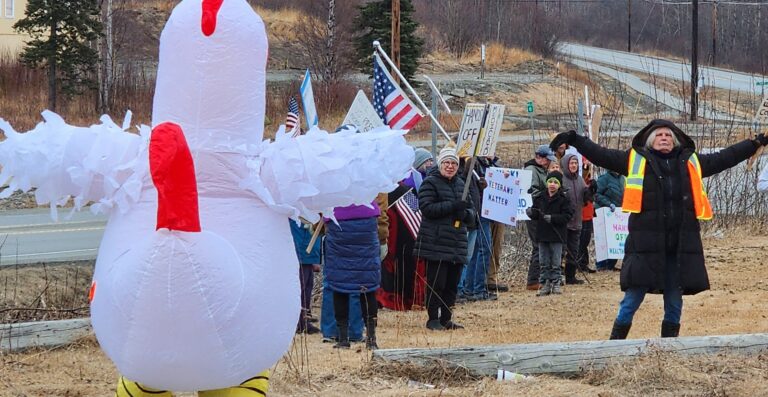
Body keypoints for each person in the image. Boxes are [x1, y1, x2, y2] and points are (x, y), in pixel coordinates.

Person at [550, 119, 767, 339]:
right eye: (660, 135)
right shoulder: (635, 159)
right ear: (651, 141)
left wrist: (755, 143)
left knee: (674, 299)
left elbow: (725, 157)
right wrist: (574, 139)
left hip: (678, 246)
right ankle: (614, 345)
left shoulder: (690, 162)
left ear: (675, 140)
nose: (665, 138)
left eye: (668, 135)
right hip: (645, 245)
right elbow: (601, 154)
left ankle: (668, 348)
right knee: (632, 298)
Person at [414, 145, 474, 331]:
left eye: (454, 163)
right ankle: (433, 318)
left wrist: (465, 214)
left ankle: (446, 318)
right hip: (436, 242)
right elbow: (427, 208)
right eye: (447, 163)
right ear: (440, 164)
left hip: (457, 242)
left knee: (451, 284)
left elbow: (472, 212)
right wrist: (452, 206)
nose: (450, 166)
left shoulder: (461, 184)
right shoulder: (430, 183)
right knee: (436, 283)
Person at [323, 191, 386, 349]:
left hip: (338, 221)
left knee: (340, 284)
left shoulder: (335, 171)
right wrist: (383, 238)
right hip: (366, 221)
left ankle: (343, 338)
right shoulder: (367, 170)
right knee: (367, 286)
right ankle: (371, 339)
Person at [377, 148, 431, 311]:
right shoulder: (386, 191)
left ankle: (401, 299)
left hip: (403, 237)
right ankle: (391, 299)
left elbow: (416, 216)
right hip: (392, 236)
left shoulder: (403, 191)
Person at [526, 170, 573, 296]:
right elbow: (536, 213)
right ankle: (544, 283)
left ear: (559, 185)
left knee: (556, 261)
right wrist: (531, 213)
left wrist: (553, 218)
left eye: (555, 182)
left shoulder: (564, 199)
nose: (552, 184)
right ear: (547, 183)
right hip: (542, 234)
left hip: (557, 235)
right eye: (550, 182)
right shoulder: (540, 197)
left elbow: (567, 216)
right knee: (544, 261)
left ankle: (556, 283)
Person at [523, 145, 556, 291]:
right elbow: (532, 192)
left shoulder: (541, 170)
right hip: (534, 212)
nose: (549, 162)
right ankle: (532, 281)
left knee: (540, 244)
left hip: (539, 212)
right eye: (548, 159)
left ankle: (539, 278)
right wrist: (546, 198)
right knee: (538, 245)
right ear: (540, 158)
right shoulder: (531, 171)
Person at [560, 153, 593, 285]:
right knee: (561, 251)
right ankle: (556, 276)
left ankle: (570, 276)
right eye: (571, 163)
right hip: (564, 222)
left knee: (574, 250)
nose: (573, 165)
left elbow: (586, 199)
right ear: (566, 165)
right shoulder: (561, 180)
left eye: (575, 163)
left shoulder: (580, 180)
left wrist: (591, 191)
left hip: (577, 220)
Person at [289, 218, 322, 334]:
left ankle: (304, 316)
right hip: (302, 248)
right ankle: (299, 322)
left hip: (308, 248)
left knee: (308, 286)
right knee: (301, 288)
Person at [594, 169, 625, 271]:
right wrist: (608, 204)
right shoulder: (604, 179)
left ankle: (611, 264)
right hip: (605, 213)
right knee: (604, 239)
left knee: (614, 240)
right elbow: (596, 194)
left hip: (617, 215)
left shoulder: (622, 178)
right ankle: (601, 264)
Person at [577, 160, 597, 275]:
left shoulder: (589, 180)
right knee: (580, 240)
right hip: (581, 214)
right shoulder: (579, 180)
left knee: (585, 240)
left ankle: (583, 263)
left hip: (588, 214)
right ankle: (579, 263)